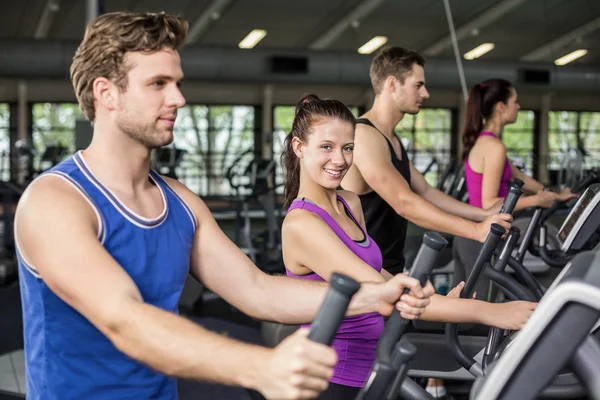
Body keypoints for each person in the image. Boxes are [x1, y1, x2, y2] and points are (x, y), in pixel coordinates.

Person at [14, 12, 433, 400]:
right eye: (158, 84)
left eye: (177, 82)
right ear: (106, 93)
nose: (178, 97)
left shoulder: (178, 201)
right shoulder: (56, 200)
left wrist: (376, 294)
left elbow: (257, 289)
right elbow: (125, 321)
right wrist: (262, 366)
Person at [281, 94, 535, 398]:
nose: (340, 160)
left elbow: (382, 277)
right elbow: (380, 288)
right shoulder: (303, 224)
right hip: (334, 378)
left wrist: (447, 303)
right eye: (327, 147)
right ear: (299, 147)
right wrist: (489, 312)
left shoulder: (349, 202)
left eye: (348, 148)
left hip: (375, 365)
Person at [340, 46, 536, 399]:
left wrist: (482, 214)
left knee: (403, 372)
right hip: (366, 278)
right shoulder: (365, 136)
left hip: (391, 271)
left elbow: (426, 192)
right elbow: (404, 203)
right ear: (391, 84)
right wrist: (474, 230)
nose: (426, 93)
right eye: (418, 85)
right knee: (388, 378)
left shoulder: (392, 140)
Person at [462, 78, 577, 212]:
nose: (518, 106)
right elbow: (488, 204)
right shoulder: (493, 147)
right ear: (501, 107)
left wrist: (555, 195)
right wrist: (536, 200)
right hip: (490, 228)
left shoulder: (487, 142)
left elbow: (520, 177)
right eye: (515, 101)